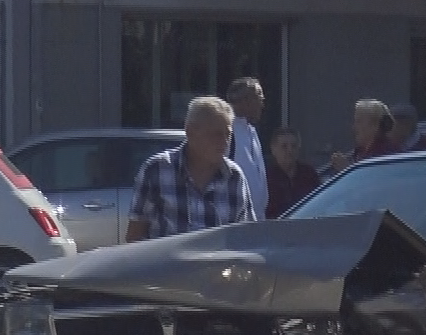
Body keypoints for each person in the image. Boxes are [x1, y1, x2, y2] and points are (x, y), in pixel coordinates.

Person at [127, 96, 256, 241]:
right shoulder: (156, 170)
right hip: (167, 263)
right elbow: (134, 238)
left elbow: (247, 238)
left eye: (228, 134)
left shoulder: (235, 177)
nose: (225, 142)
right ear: (190, 132)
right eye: (216, 134)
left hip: (218, 263)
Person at [226, 77, 269, 214]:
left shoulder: (252, 131)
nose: (262, 104)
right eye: (259, 98)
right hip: (235, 219)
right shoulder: (226, 131)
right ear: (244, 101)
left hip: (256, 220)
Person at [265, 127, 320, 218]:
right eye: (284, 146)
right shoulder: (266, 178)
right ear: (273, 149)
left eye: (294, 146)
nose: (290, 151)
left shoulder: (309, 174)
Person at [328, 99, 396, 173]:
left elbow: (373, 182)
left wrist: (346, 169)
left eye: (359, 121)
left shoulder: (387, 157)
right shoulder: (358, 153)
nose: (354, 127)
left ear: (375, 125)